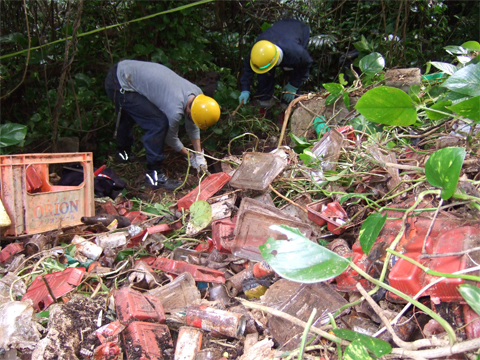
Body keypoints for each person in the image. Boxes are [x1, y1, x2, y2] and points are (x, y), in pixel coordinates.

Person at [105, 60, 221, 191]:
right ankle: (154, 176)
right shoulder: (174, 109)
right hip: (119, 83)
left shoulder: (197, 95)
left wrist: (199, 154)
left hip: (125, 70)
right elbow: (170, 138)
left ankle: (123, 154)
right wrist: (189, 156)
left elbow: (193, 125)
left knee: (132, 114)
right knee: (157, 123)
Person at [238, 18, 313, 117]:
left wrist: (294, 85)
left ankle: (286, 110)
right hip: (279, 30)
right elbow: (248, 68)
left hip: (298, 32)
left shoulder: (296, 53)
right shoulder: (258, 50)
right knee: (264, 76)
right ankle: (265, 107)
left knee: (294, 76)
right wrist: (245, 89)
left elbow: (306, 64)